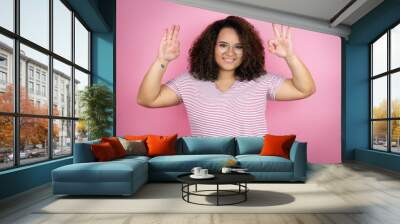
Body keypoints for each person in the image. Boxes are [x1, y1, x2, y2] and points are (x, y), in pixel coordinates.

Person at [137, 16, 315, 137]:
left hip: (251, 167)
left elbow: (305, 89)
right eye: (223, 45)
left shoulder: (261, 80)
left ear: (247, 51)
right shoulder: (188, 81)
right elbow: (147, 99)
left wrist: (289, 56)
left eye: (238, 46)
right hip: (207, 169)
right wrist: (162, 60)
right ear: (210, 47)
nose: (230, 52)